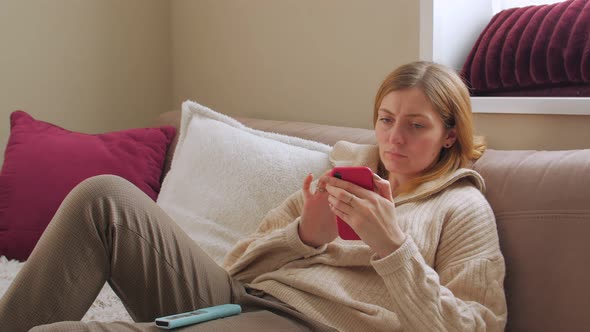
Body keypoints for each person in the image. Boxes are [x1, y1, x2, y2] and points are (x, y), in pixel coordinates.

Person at [0, 61, 507, 331]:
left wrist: (393, 249)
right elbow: (237, 267)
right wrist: (303, 235)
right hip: (238, 298)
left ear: (448, 134)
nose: (394, 138)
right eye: (386, 120)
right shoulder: (339, 177)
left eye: (415, 125)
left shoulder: (461, 209)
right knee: (104, 197)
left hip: (307, 325)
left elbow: (474, 328)